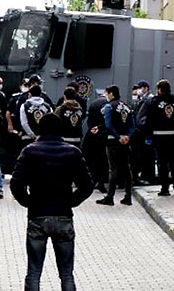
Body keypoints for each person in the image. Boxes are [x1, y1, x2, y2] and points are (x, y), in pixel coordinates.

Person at [10, 113, 94, 291]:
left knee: (34, 272)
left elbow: (16, 184)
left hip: (37, 215)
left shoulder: (29, 151)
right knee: (66, 274)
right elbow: (87, 186)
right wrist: (71, 201)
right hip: (63, 215)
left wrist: (29, 202)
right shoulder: (72, 152)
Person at [143, 80, 174, 196]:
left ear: (159, 89)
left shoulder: (154, 102)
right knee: (173, 162)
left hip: (159, 136)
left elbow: (149, 120)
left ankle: (165, 189)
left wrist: (148, 136)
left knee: (162, 163)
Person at [97, 85, 135, 206]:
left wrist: (118, 137)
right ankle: (128, 197)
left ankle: (110, 197)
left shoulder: (109, 107)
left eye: (106, 93)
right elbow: (132, 126)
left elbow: (108, 125)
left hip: (113, 141)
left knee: (113, 169)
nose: (106, 96)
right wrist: (127, 136)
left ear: (111, 94)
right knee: (126, 168)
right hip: (125, 141)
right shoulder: (126, 107)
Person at [82, 92, 109, 193]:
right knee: (103, 160)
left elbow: (89, 120)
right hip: (104, 135)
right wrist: (100, 128)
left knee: (92, 159)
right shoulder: (108, 105)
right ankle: (102, 183)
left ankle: (92, 180)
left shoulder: (94, 103)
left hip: (92, 135)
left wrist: (93, 128)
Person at [132, 80, 156, 185]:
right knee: (143, 155)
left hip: (145, 131)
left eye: (140, 88)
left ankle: (148, 176)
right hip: (141, 131)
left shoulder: (149, 99)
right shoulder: (142, 99)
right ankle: (145, 175)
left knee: (148, 155)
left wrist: (141, 126)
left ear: (145, 88)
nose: (138, 90)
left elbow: (144, 116)